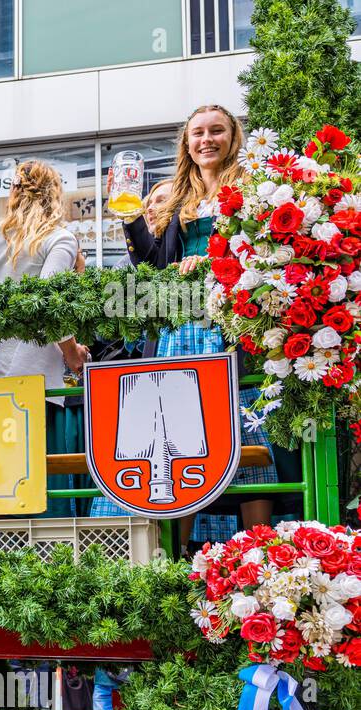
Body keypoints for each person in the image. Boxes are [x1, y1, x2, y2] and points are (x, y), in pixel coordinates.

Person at [116, 104, 275, 541]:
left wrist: (214, 260)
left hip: (229, 325)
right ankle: (180, 551)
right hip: (181, 329)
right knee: (177, 437)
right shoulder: (180, 196)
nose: (207, 139)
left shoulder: (254, 188)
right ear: (187, 144)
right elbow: (154, 264)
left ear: (233, 137)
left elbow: (269, 251)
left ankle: (257, 547)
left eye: (217, 131)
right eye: (198, 133)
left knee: (242, 434)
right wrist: (130, 218)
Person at [0, 161, 91, 517]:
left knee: (0, 478)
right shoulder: (59, 238)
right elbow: (48, 304)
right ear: (55, 196)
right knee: (41, 480)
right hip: (37, 379)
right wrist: (73, 351)